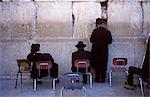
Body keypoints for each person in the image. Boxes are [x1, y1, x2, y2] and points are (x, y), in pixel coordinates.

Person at [90, 18, 112, 83]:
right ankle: (102, 78)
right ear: (103, 24)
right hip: (104, 51)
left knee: (97, 65)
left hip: (96, 51)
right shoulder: (107, 32)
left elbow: (91, 40)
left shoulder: (95, 31)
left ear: (97, 24)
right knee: (103, 65)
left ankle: (97, 78)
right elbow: (110, 41)